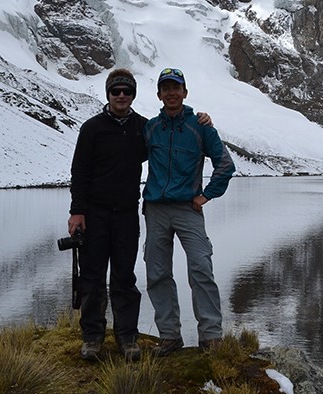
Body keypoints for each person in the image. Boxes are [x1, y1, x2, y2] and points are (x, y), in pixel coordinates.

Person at [67, 67, 213, 361]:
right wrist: (77, 211)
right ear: (108, 94)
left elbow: (169, 149)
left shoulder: (143, 128)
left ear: (134, 95)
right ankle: (92, 337)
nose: (121, 96)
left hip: (126, 214)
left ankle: (127, 337)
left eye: (127, 91)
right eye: (116, 91)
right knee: (92, 277)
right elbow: (79, 171)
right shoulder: (92, 129)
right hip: (94, 214)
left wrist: (202, 121)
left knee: (124, 277)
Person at [142, 67, 236, 356]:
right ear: (159, 94)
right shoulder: (151, 128)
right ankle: (170, 336)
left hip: (188, 209)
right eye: (166, 88)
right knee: (157, 274)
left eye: (176, 87)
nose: (171, 92)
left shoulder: (201, 126)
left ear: (185, 92)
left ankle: (211, 337)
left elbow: (225, 165)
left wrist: (206, 196)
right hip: (155, 209)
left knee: (200, 268)